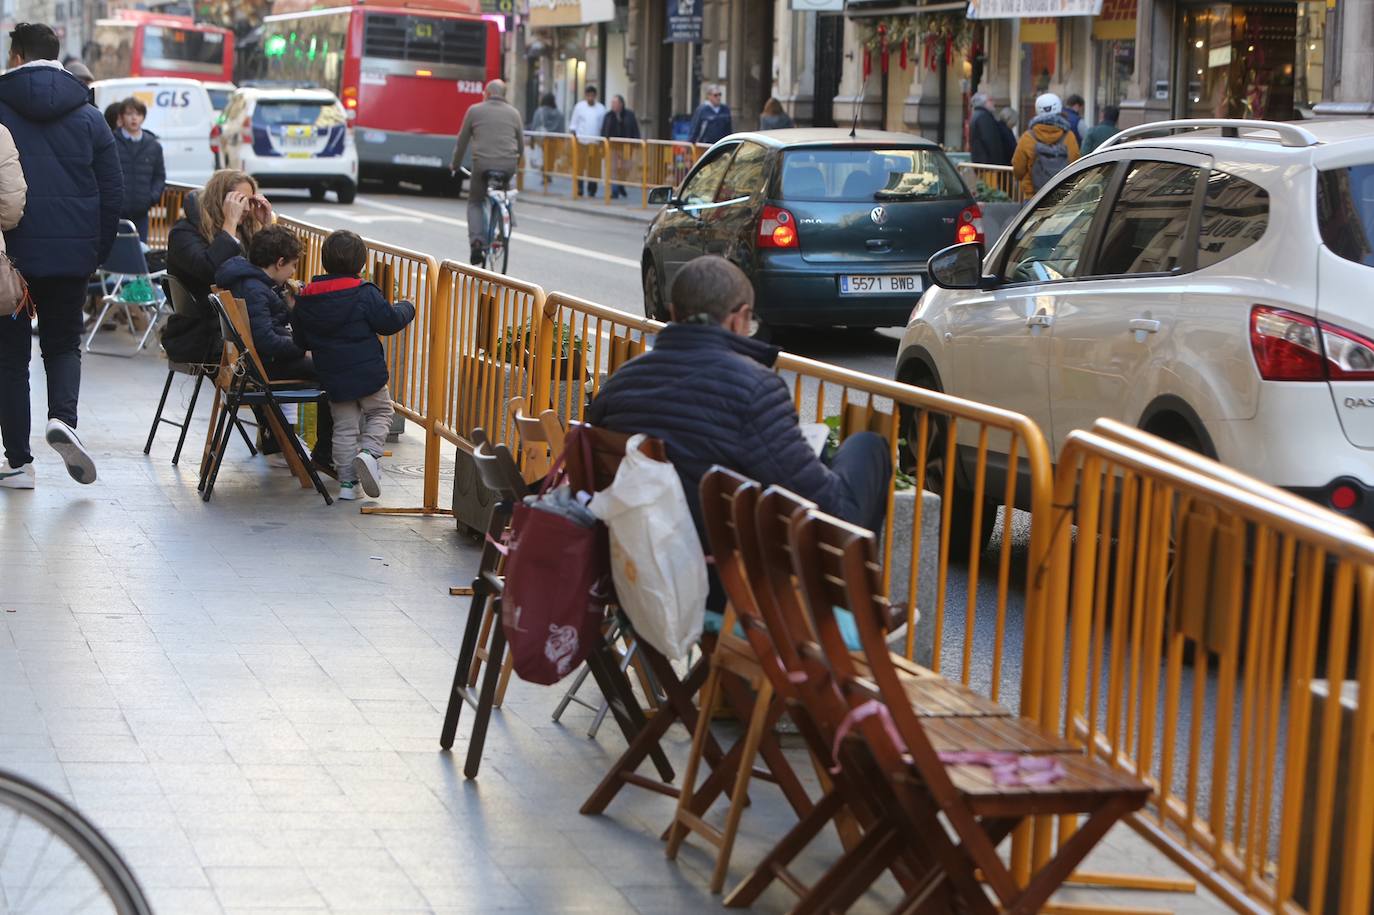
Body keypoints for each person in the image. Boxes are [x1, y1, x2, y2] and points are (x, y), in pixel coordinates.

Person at [587, 255, 891, 548]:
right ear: (738, 320)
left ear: (675, 313)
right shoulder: (755, 389)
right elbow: (829, 510)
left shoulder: (620, 383)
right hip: (724, 573)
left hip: (635, 559)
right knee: (867, 447)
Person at [0, 22, 122, 490]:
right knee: (63, 345)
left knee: (10, 358)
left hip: (9, 258)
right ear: (58, 54)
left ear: (15, 57)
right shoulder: (89, 115)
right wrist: (96, 251)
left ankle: (18, 463)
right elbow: (113, 192)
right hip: (72, 255)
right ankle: (62, 419)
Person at [290, 230, 416, 502]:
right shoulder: (363, 292)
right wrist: (408, 307)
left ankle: (348, 484)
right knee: (381, 412)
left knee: (344, 427)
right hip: (367, 373)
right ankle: (369, 454)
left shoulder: (307, 297)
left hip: (332, 375)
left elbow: (300, 339)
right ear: (360, 264)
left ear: (324, 261)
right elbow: (389, 321)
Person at [213, 224, 335, 473]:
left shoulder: (248, 281)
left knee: (331, 366)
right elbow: (267, 340)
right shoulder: (255, 289)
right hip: (267, 365)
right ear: (279, 263)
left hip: (257, 363)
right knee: (336, 371)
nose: (292, 272)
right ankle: (326, 452)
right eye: (292, 265)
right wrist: (303, 350)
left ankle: (326, 449)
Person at [165, 169, 273, 365]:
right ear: (220, 200)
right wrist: (229, 223)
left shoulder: (244, 231)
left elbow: (268, 272)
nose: (247, 208)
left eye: (250, 200)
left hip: (242, 327)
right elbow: (211, 271)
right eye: (240, 200)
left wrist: (266, 227)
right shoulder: (184, 233)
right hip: (202, 333)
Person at [450, 79, 523, 266]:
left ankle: (476, 242)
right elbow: (521, 146)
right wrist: (515, 164)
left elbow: (462, 141)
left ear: (488, 94)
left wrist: (455, 165)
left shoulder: (474, 111)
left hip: (482, 165)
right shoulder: (514, 114)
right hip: (508, 165)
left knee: (475, 201)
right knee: (506, 193)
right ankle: (505, 227)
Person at [113, 97, 166, 242]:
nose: (134, 118)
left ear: (143, 117)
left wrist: (151, 198)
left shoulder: (153, 145)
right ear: (122, 117)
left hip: (142, 212)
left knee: (141, 254)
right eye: (129, 114)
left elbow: (159, 176)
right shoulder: (111, 142)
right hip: (116, 211)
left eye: (138, 114)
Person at [1012, 92, 1080, 199]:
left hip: (1033, 197)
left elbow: (1018, 170)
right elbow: (1074, 163)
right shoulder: (1069, 136)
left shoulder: (1028, 137)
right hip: (1061, 197)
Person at [567, 85, 606, 197]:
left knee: (594, 168)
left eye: (592, 96)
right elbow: (574, 124)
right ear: (586, 96)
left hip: (595, 141)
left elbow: (602, 126)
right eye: (588, 95)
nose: (590, 98)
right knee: (580, 166)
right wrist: (574, 138)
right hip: (581, 141)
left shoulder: (601, 108)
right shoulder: (579, 107)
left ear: (595, 96)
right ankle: (580, 187)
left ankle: (592, 188)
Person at [600, 94, 640, 199]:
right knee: (612, 169)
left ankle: (620, 183)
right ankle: (615, 190)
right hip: (612, 146)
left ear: (621, 104)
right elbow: (604, 131)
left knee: (626, 167)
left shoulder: (629, 115)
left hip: (626, 146)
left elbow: (634, 129)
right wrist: (603, 144)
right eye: (612, 103)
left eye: (615, 103)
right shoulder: (608, 116)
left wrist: (636, 142)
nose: (613, 105)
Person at [968, 92, 1009, 165]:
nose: (994, 103)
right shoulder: (984, 117)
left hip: (983, 163)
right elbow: (991, 141)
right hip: (988, 164)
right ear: (984, 102)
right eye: (990, 100)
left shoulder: (978, 115)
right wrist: (998, 163)